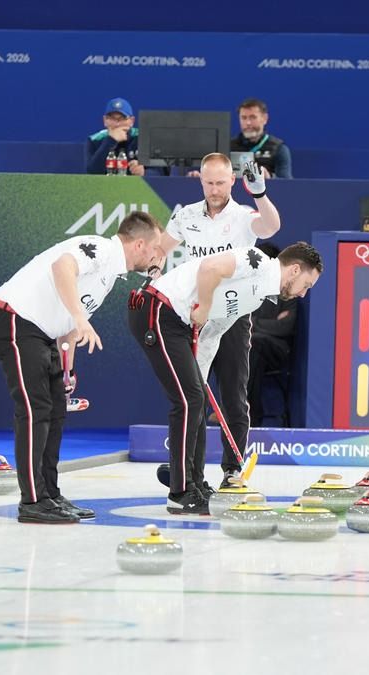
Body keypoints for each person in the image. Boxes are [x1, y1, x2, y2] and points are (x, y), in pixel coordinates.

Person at [0, 211, 164, 523]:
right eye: (155, 248)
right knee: (35, 411)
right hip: (15, 320)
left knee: (56, 410)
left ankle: (49, 494)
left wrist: (67, 367)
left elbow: (69, 322)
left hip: (43, 333)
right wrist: (80, 319)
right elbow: (62, 267)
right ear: (139, 245)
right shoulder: (101, 249)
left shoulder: (110, 274)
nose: (157, 255)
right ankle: (32, 501)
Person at [129, 242, 322, 514]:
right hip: (159, 308)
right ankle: (180, 493)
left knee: (196, 398)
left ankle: (195, 485)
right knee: (189, 402)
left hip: (177, 323)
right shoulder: (255, 260)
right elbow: (210, 268)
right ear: (294, 270)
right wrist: (205, 306)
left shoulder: (257, 298)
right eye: (306, 285)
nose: (303, 293)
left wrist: (200, 372)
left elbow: (214, 332)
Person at [159, 153, 281, 491]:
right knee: (193, 395)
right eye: (209, 183)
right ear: (201, 181)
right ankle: (191, 473)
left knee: (233, 394)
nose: (214, 190)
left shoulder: (243, 216)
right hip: (196, 315)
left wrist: (260, 194)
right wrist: (154, 269)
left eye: (220, 183)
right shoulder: (185, 215)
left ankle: (232, 470)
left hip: (233, 315)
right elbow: (160, 249)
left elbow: (271, 226)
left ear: (232, 182)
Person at [245, 242, 298, 427]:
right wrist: (268, 323)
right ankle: (233, 407)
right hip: (250, 346)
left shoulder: (288, 289)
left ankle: (249, 414)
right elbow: (241, 323)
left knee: (254, 342)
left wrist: (254, 324)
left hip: (278, 351)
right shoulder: (246, 289)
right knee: (235, 344)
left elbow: (285, 327)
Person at [229, 98, 293, 179]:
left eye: (253, 117)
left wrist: (269, 177)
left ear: (265, 119)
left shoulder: (278, 148)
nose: (248, 123)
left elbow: (287, 183)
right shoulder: (228, 146)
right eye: (244, 118)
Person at [85, 97, 145, 176]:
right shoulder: (95, 140)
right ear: (105, 121)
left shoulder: (142, 138)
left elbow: (159, 171)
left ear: (132, 121)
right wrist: (111, 140)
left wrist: (144, 172)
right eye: (112, 118)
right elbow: (92, 172)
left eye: (122, 118)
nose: (117, 124)